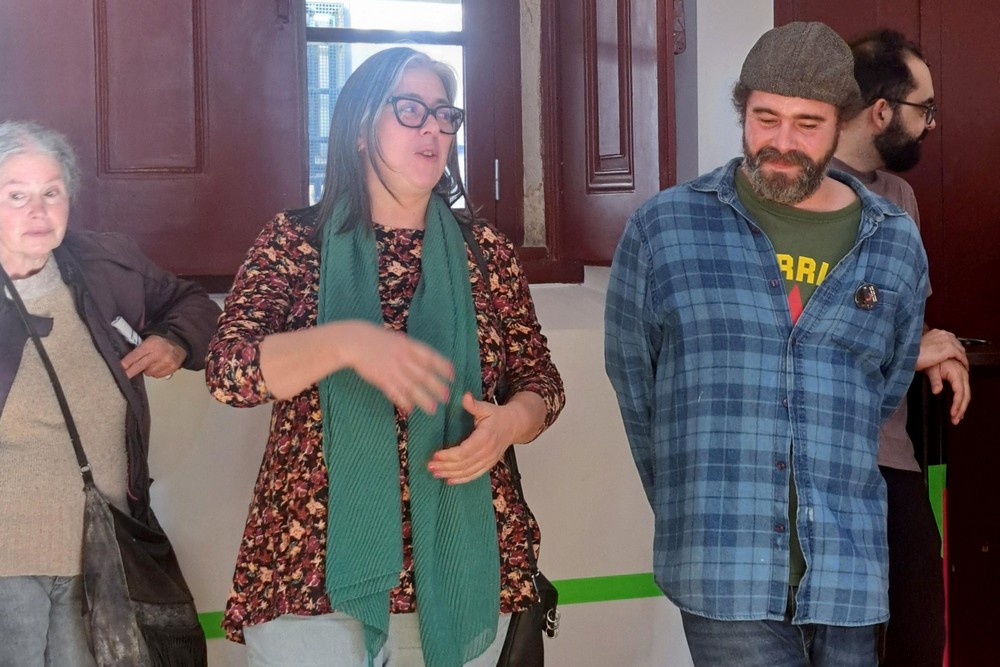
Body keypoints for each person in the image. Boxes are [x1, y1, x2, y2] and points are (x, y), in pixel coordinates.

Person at [206, 46, 564, 667]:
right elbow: (228, 373)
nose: (433, 128)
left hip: (461, 573)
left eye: (444, 114)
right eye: (409, 110)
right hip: (312, 577)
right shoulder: (295, 242)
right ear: (360, 128)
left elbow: (541, 381)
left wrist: (510, 423)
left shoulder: (485, 251)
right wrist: (346, 342)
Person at [605, 22, 929, 667]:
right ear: (743, 111)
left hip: (848, 572)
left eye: (807, 124)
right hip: (722, 565)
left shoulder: (893, 240)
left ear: (842, 123)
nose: (782, 142)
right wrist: (695, 504)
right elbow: (636, 384)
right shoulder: (665, 229)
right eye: (765, 118)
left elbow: (883, 390)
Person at [0, 120, 220, 666]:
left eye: (52, 193)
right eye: (16, 195)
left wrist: (175, 342)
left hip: (103, 554)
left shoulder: (105, 266)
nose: (38, 211)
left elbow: (195, 306)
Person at [833, 28, 971, 667]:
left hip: (893, 457)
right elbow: (798, 338)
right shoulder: (796, 194)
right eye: (925, 109)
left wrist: (940, 349)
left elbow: (907, 323)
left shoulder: (901, 198)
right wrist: (909, 351)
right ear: (882, 110)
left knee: (918, 635)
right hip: (819, 463)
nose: (931, 125)